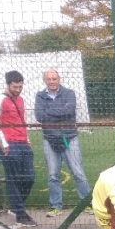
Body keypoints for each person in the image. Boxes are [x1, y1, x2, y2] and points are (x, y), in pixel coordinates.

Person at [34, 69, 92, 217]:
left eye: (54, 78)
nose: (52, 81)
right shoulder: (40, 96)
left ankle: (87, 204)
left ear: (59, 79)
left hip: (69, 138)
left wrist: (49, 111)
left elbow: (70, 111)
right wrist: (61, 112)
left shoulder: (69, 93)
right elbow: (39, 116)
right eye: (49, 79)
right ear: (44, 81)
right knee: (53, 175)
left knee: (78, 173)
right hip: (49, 139)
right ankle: (56, 206)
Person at [0, 70, 36, 225]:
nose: (18, 90)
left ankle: (17, 207)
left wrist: (27, 140)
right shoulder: (0, 99)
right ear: (8, 84)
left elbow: (22, 121)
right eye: (15, 87)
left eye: (20, 87)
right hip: (9, 144)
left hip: (23, 143)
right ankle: (20, 214)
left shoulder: (21, 100)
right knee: (14, 178)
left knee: (29, 177)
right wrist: (4, 146)